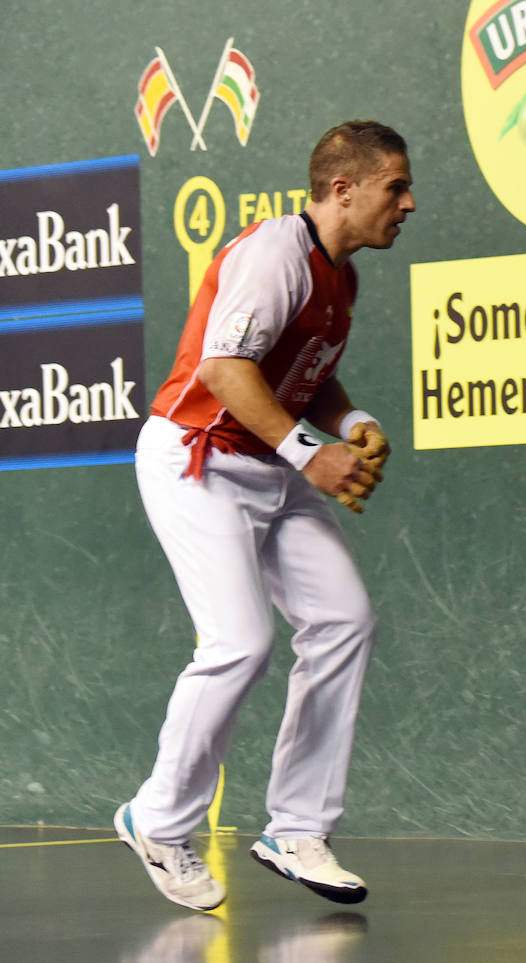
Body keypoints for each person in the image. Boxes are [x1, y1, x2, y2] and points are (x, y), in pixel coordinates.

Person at [114, 121, 416, 910]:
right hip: (200, 457)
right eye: (396, 186)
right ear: (343, 189)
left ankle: (296, 827)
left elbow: (305, 376)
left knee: (344, 619)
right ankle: (156, 817)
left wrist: (350, 426)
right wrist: (311, 453)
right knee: (239, 642)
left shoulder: (340, 276)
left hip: (271, 466)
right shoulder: (275, 254)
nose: (408, 203)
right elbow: (224, 367)